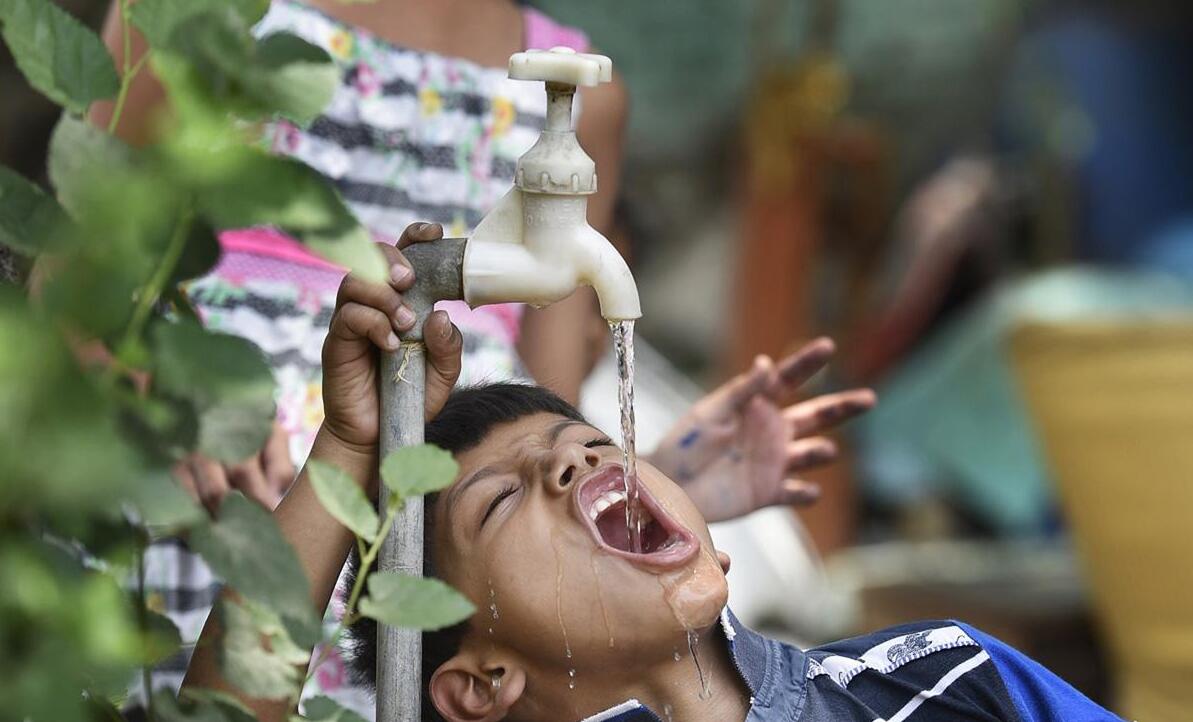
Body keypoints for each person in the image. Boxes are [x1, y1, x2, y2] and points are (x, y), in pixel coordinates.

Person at [182, 236, 1119, 722]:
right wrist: (348, 445)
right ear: (480, 686)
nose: (572, 462)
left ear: (712, 545)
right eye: (498, 500)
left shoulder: (943, 684)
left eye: (593, 446)